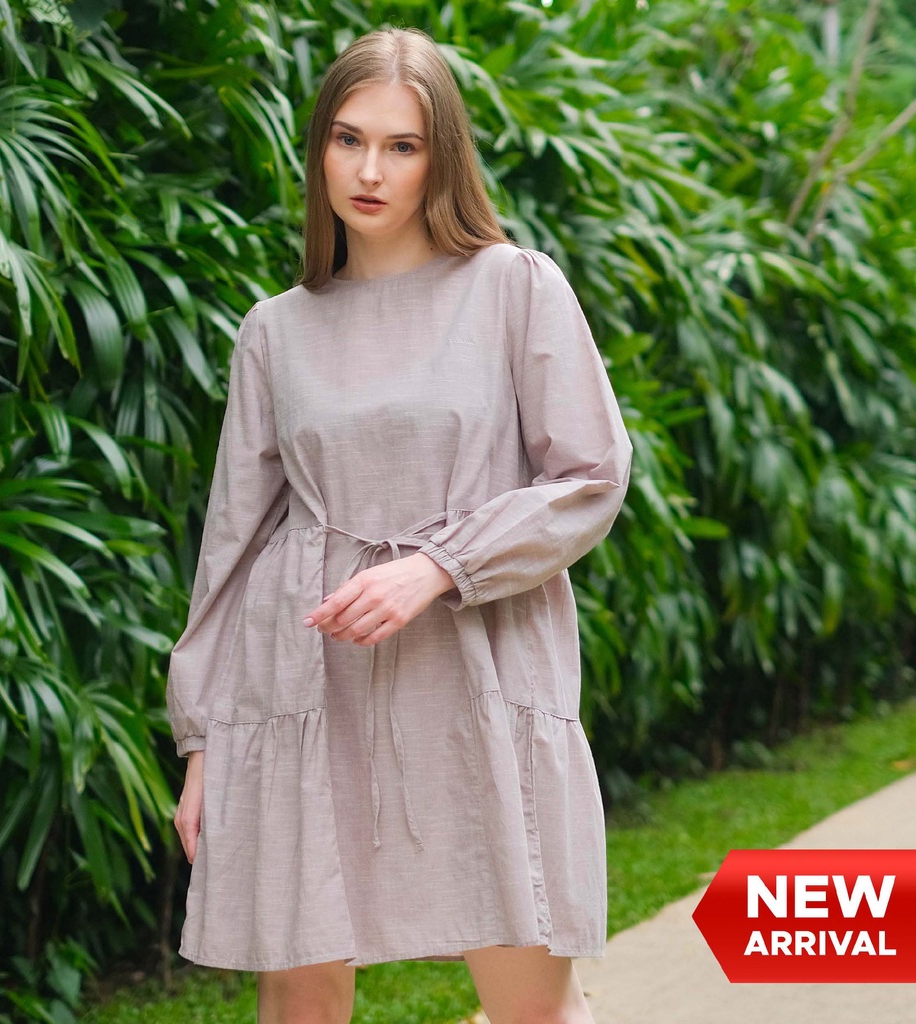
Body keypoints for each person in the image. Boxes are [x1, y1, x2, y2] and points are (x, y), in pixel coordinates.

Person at [167, 25, 633, 1024]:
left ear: (441, 157)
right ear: (319, 150)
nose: (369, 171)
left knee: (531, 1000)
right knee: (300, 997)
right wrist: (204, 743)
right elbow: (231, 551)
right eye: (348, 139)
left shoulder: (514, 287)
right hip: (301, 680)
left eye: (401, 145)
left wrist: (438, 564)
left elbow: (590, 476)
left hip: (477, 662)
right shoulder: (274, 330)